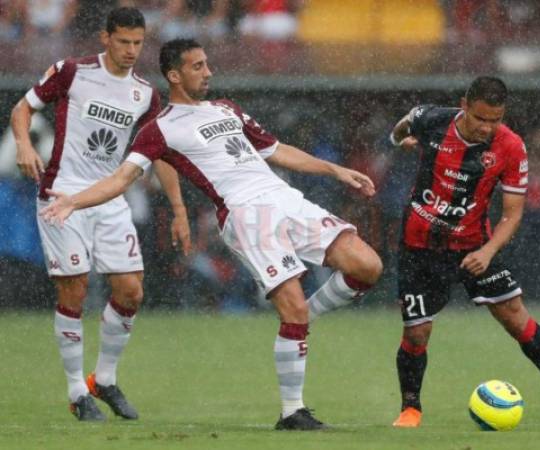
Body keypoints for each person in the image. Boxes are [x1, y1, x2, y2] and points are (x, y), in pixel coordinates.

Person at [40, 38, 383, 430]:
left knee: (368, 266)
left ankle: (309, 319)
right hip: (245, 214)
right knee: (292, 309)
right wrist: (74, 201)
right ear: (174, 75)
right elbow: (122, 178)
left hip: (286, 199)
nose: (209, 72)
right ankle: (293, 412)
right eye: (198, 66)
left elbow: (276, 150)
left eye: (207, 65)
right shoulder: (160, 129)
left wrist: (334, 170)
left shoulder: (227, 108)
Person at [10, 7, 191, 422]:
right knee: (73, 290)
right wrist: (23, 143)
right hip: (62, 194)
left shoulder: (146, 94)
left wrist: (179, 208)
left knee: (131, 291)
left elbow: (158, 152)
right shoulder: (71, 71)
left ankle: (104, 379)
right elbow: (23, 109)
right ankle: (77, 392)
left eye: (138, 43)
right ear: (104, 38)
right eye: (124, 41)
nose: (131, 50)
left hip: (109, 200)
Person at [388, 76, 540, 428]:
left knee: (516, 316)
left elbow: (513, 213)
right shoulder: (432, 119)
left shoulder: (511, 147)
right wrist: (399, 141)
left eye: (495, 120)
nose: (487, 127)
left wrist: (487, 251)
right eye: (480, 118)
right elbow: (404, 124)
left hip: (474, 247)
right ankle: (411, 409)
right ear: (464, 105)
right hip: (419, 247)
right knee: (417, 333)